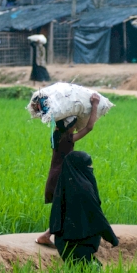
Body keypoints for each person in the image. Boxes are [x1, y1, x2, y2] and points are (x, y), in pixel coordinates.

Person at [36, 94, 100, 247]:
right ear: (69, 128)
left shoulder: (56, 135)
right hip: (61, 177)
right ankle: (47, 235)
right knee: (65, 207)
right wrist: (95, 105)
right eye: (74, 125)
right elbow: (89, 127)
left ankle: (50, 235)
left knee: (64, 207)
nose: (75, 127)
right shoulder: (67, 139)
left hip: (55, 175)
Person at [49, 151, 119, 265]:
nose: (91, 168)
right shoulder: (84, 189)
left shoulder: (64, 185)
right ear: (81, 167)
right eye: (88, 165)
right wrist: (112, 238)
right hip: (80, 244)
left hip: (64, 243)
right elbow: (96, 216)